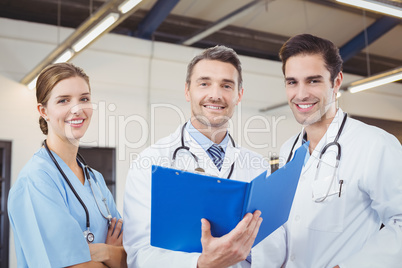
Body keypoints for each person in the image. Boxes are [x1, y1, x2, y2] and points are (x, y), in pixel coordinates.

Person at [123, 45, 285, 268]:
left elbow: (277, 244)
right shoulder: (150, 162)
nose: (215, 95)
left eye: (226, 85)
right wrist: (201, 263)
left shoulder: (258, 166)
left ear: (239, 95)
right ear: (188, 91)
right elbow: (139, 254)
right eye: (204, 83)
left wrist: (244, 253)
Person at [256, 33, 402, 267]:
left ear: (336, 82)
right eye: (292, 82)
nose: (301, 94)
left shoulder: (375, 144)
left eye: (313, 81)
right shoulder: (288, 150)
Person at [8, 63, 127, 268]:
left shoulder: (95, 179)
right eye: (63, 100)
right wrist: (112, 256)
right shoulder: (36, 180)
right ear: (43, 110)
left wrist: (104, 252)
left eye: (84, 99)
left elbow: (130, 257)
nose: (77, 109)